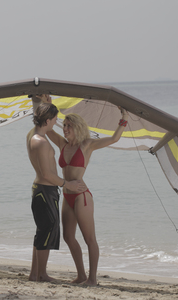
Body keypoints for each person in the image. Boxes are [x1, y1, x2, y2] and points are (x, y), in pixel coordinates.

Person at [41, 96, 129, 286]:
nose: (64, 129)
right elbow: (46, 128)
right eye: (64, 125)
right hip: (67, 196)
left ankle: (92, 279)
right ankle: (81, 275)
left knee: (89, 239)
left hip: (82, 197)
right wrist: (44, 105)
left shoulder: (87, 145)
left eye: (68, 126)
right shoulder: (62, 144)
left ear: (77, 127)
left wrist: (124, 117)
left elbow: (115, 138)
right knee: (68, 237)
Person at [27, 95, 86, 282]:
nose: (56, 124)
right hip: (45, 191)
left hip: (42, 191)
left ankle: (34, 274)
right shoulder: (42, 142)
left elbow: (40, 115)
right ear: (47, 120)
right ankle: (42, 274)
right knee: (46, 232)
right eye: (54, 120)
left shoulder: (34, 135)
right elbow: (47, 174)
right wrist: (67, 184)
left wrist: (44, 104)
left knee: (42, 231)